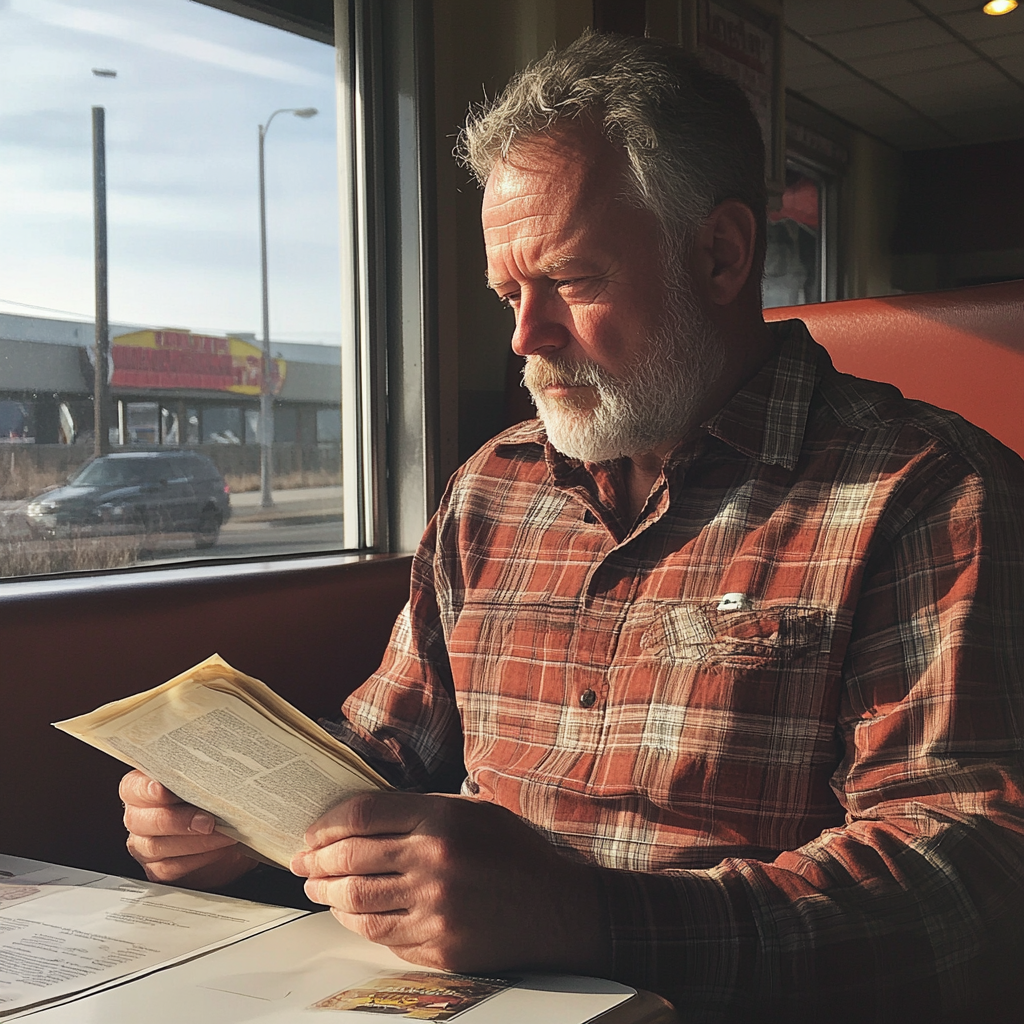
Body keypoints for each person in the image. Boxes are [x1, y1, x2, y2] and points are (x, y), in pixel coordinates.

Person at [120, 32, 1024, 1022]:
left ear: (720, 254)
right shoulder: (492, 488)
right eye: (509, 293)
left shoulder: (928, 492)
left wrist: (592, 916)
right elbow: (392, 748)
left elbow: (967, 879)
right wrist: (239, 814)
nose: (523, 337)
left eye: (572, 283)